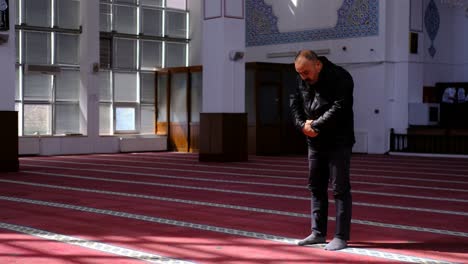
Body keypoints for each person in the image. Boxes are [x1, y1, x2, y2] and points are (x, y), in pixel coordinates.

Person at [290, 50, 355, 251]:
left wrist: (315, 126)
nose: (303, 77)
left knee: (339, 188)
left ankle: (341, 236)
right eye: (300, 73)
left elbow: (339, 108)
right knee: (316, 187)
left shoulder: (341, 77)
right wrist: (303, 126)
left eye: (306, 72)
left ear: (318, 65)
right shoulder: (302, 78)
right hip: (315, 142)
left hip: (338, 140)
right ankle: (318, 233)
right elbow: (294, 104)